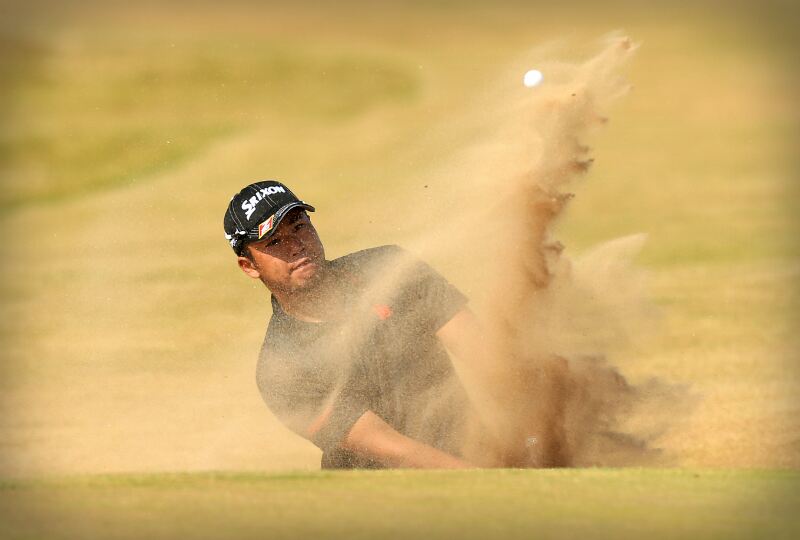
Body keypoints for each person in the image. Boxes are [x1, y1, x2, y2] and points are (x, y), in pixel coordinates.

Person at [224, 180, 484, 469]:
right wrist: (485, 480)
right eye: (274, 242)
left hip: (472, 453)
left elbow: (487, 357)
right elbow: (396, 450)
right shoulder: (279, 371)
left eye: (299, 226)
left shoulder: (390, 269)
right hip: (383, 498)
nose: (296, 246)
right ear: (249, 266)